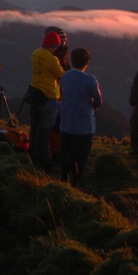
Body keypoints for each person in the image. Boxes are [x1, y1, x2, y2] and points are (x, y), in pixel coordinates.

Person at [58, 47, 102, 188]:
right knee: (80, 158)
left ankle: (63, 181)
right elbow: (98, 100)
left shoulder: (65, 76)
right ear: (86, 63)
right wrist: (91, 106)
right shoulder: (90, 79)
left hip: (66, 123)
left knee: (65, 155)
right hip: (83, 126)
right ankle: (76, 184)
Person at [27, 29, 64, 171]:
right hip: (48, 97)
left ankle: (32, 155)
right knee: (45, 130)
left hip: (35, 93)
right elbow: (61, 76)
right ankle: (42, 161)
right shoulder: (51, 58)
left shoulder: (35, 53)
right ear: (55, 45)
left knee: (35, 127)